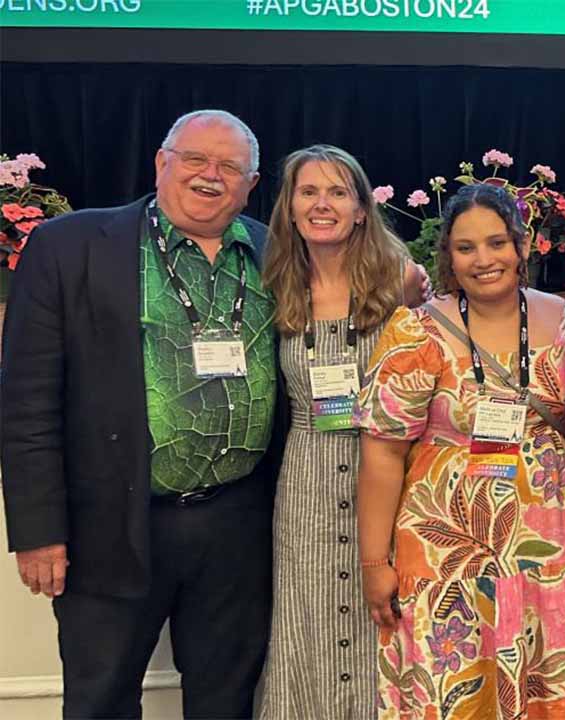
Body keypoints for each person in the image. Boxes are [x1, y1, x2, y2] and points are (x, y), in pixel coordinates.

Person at [2, 109, 280, 718]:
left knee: (226, 697)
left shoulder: (275, 252)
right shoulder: (69, 245)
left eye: (230, 167)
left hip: (238, 525)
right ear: (161, 162)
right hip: (110, 520)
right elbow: (26, 400)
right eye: (195, 159)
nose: (210, 176)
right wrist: (38, 529)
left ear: (251, 183)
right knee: (101, 696)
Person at [355, 183, 565, 719]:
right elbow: (381, 453)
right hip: (442, 561)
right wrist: (375, 561)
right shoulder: (417, 330)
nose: (484, 260)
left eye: (497, 243)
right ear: (447, 255)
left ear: (520, 244)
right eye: (466, 248)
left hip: (544, 554)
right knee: (455, 695)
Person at [257, 145, 427, 719]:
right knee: (306, 623)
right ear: (290, 206)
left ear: (360, 207)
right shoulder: (274, 281)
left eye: (337, 192)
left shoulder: (400, 279)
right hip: (305, 476)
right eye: (308, 192)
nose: (321, 204)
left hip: (386, 470)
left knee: (389, 617)